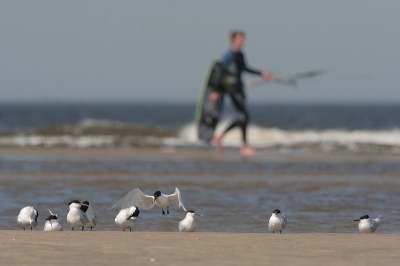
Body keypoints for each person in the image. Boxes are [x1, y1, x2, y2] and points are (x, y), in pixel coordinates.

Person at [209, 30, 274, 156]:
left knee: (242, 117)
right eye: (240, 39)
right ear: (234, 40)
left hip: (240, 88)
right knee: (244, 116)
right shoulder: (228, 55)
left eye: (243, 40)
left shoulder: (240, 55)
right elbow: (220, 72)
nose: (243, 42)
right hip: (232, 89)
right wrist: (216, 91)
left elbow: (245, 69)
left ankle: (220, 136)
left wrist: (262, 74)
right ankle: (243, 146)